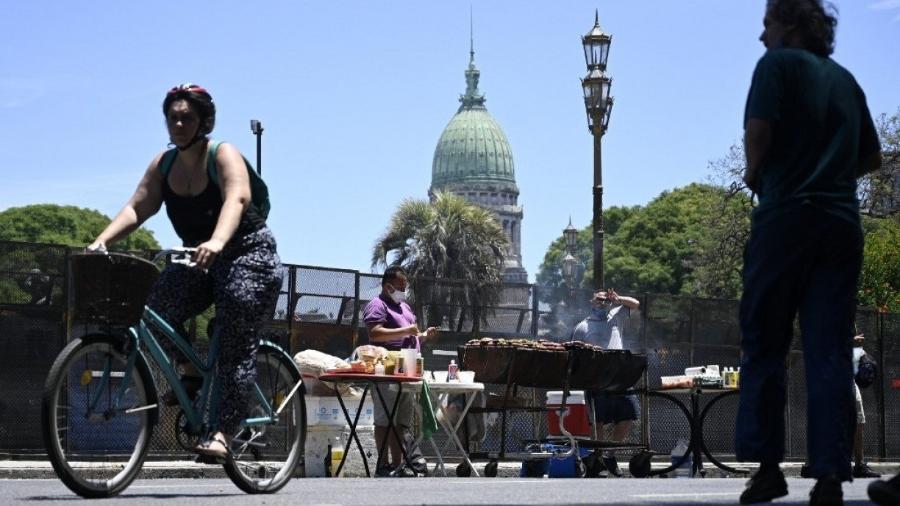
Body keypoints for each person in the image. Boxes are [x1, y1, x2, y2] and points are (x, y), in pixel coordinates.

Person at [735, 1, 882, 504]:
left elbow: (758, 132)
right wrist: (830, 175)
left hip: (785, 217)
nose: (762, 36)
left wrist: (758, 174)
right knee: (830, 350)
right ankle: (829, 477)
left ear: (790, 25)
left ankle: (768, 466)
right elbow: (871, 156)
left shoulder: (775, 66)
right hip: (840, 224)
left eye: (767, 25)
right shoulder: (845, 80)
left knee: (766, 344)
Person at [87, 83, 282, 459]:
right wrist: (102, 241)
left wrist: (219, 241)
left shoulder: (222, 153)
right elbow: (137, 208)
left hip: (247, 251)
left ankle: (224, 432)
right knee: (157, 309)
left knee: (233, 341)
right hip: (200, 256)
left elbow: (237, 198)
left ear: (203, 121)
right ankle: (189, 372)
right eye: (172, 117)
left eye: (186, 117)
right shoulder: (165, 164)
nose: (178, 123)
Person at [363, 266, 437, 476]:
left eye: (405, 287)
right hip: (387, 368)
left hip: (409, 368)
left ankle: (398, 465)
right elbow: (375, 333)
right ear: (388, 286)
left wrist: (422, 336)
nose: (404, 291)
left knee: (401, 421)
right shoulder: (377, 305)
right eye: (400, 287)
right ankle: (382, 464)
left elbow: (410, 336)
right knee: (385, 418)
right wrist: (406, 330)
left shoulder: (405, 307)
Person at [571, 288, 640, 477]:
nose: (603, 303)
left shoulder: (616, 316)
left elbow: (635, 304)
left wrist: (618, 298)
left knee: (629, 415)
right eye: (600, 300)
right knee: (598, 421)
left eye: (606, 300)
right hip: (597, 378)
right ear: (592, 303)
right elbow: (575, 354)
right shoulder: (582, 327)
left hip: (620, 377)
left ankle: (610, 454)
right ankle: (598, 459)